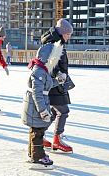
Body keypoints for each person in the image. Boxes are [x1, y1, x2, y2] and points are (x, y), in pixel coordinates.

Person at [21, 43, 60, 167]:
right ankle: (38, 157)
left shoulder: (42, 69)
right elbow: (37, 93)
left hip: (36, 105)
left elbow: (45, 85)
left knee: (35, 130)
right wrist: (43, 111)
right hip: (36, 107)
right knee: (38, 132)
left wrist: (57, 81)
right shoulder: (39, 71)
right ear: (48, 58)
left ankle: (32, 153)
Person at [40, 19, 74, 152]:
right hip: (54, 83)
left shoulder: (57, 42)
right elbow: (50, 63)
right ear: (61, 33)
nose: (69, 37)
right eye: (67, 34)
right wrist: (59, 73)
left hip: (55, 82)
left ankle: (41, 135)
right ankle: (57, 139)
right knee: (63, 110)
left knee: (55, 112)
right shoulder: (54, 43)